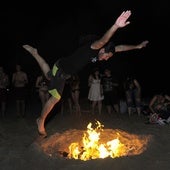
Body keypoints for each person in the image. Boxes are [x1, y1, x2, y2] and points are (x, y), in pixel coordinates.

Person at [22, 10, 149, 136]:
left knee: (49, 76)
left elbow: (120, 48)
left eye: (108, 57)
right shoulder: (94, 47)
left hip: (61, 66)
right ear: (102, 49)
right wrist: (115, 26)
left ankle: (35, 53)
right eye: (106, 56)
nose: (106, 58)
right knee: (56, 97)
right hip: (62, 70)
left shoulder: (104, 51)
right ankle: (41, 120)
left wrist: (137, 46)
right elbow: (103, 41)